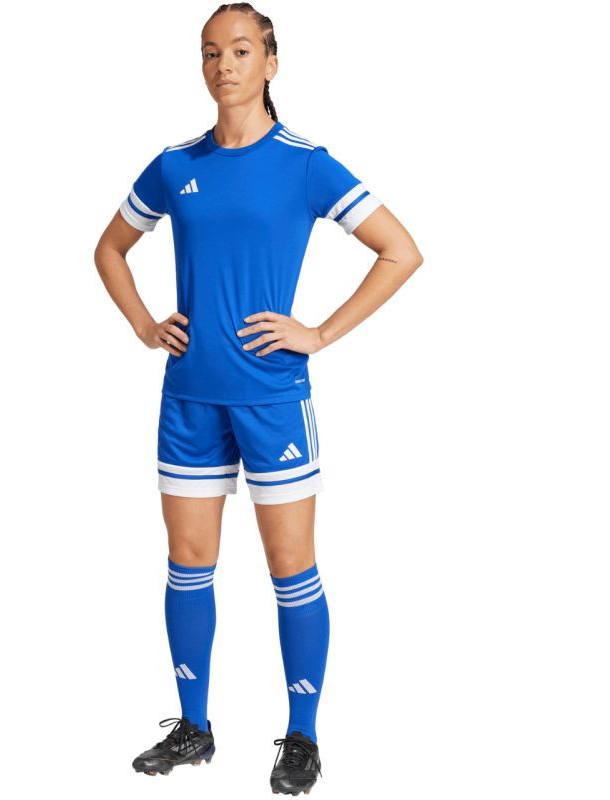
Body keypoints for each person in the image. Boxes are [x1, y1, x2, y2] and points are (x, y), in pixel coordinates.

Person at [93, 3, 423, 794]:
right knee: (188, 563)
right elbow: (109, 247)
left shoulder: (304, 163)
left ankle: (302, 737)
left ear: (271, 63)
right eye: (211, 52)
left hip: (274, 398)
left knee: (291, 566)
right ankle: (194, 728)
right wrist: (144, 324)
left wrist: (319, 333)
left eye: (241, 50)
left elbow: (400, 250)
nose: (225, 65)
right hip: (189, 398)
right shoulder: (175, 164)